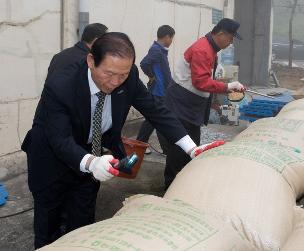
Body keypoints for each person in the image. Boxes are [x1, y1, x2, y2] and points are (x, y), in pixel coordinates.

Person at [21, 32, 222, 249]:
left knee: (82, 227)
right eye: (109, 73)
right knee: (48, 227)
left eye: (123, 75)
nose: (116, 82)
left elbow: (156, 110)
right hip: (50, 158)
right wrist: (91, 162)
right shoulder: (61, 84)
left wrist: (191, 148)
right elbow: (60, 140)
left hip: (90, 154)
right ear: (91, 62)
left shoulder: (129, 76)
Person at [164, 18, 245, 189]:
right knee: (180, 149)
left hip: (190, 105)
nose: (231, 43)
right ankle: (172, 187)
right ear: (221, 34)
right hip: (182, 105)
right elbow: (200, 82)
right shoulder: (203, 50)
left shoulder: (210, 48)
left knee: (191, 146)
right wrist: (227, 86)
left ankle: (183, 183)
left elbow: (204, 82)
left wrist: (213, 101)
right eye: (230, 38)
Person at [136, 25, 175, 154]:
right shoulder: (156, 50)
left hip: (161, 90)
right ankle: (163, 148)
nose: (172, 41)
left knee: (153, 119)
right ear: (167, 36)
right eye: (172, 38)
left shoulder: (159, 50)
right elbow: (144, 63)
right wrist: (152, 76)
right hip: (159, 91)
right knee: (159, 118)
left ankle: (141, 144)